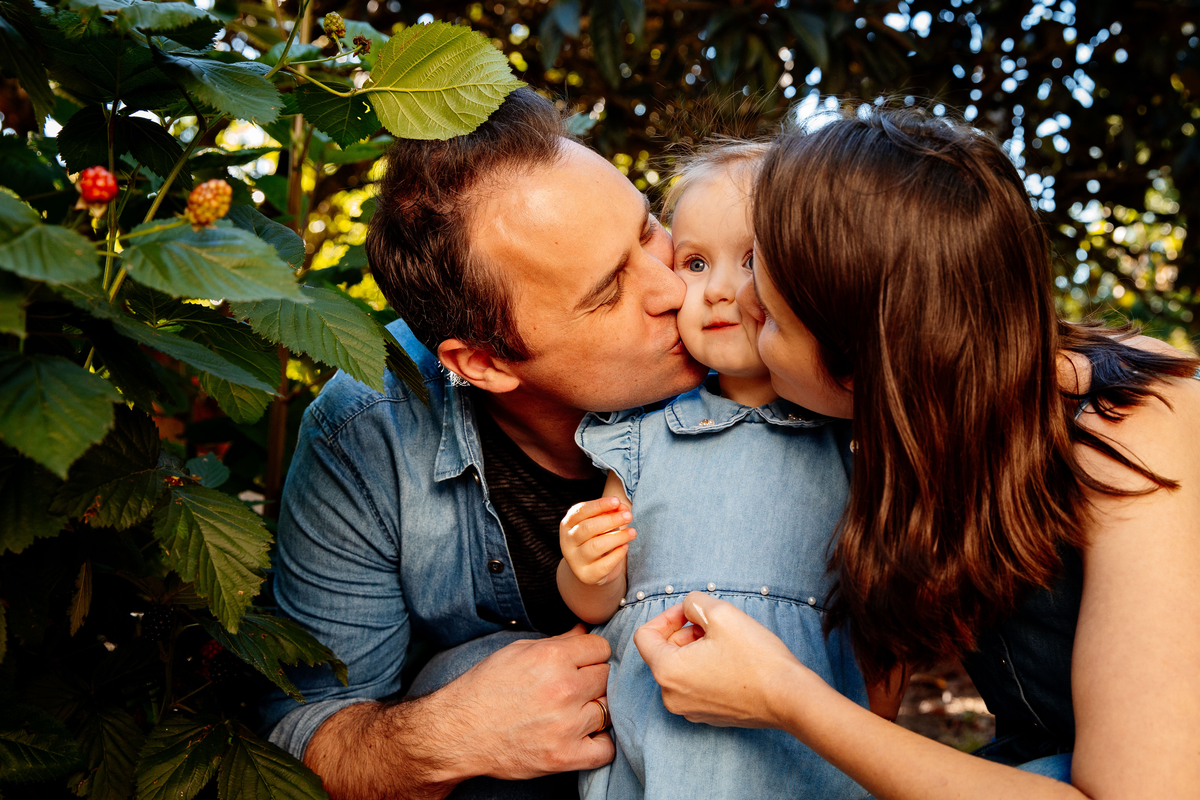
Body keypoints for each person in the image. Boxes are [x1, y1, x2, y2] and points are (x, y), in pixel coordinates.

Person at [634, 105, 1200, 799]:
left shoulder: (1133, 422)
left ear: (862, 364)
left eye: (771, 316)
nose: (732, 301)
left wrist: (787, 697)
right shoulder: (904, 433)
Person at [260, 87, 708, 800]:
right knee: (458, 683)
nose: (675, 289)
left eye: (649, 229)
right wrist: (452, 734)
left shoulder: (754, 338)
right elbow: (302, 730)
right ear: (485, 363)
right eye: (607, 292)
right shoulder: (364, 430)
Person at [557, 141, 874, 800]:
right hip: (661, 728)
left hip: (802, 735)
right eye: (695, 262)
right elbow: (598, 602)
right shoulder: (642, 431)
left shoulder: (849, 437)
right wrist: (586, 566)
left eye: (755, 261)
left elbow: (882, 618)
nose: (722, 290)